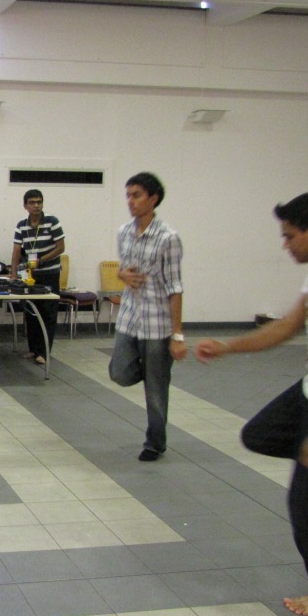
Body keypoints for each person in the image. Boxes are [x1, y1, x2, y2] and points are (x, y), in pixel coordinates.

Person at [195, 192, 308, 616]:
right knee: (258, 434)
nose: (285, 245)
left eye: (290, 236)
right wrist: (227, 347)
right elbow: (285, 328)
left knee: (306, 504)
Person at [108, 172, 186, 462]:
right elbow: (124, 270)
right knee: (118, 371)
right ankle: (154, 370)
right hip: (129, 318)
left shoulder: (168, 238)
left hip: (157, 324)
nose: (130, 201)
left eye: (137, 195)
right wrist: (120, 274)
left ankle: (155, 442)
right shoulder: (124, 232)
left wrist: (177, 336)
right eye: (128, 195)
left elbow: (175, 288)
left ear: (153, 199)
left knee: (155, 392)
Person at [9, 189, 64, 366]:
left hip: (49, 273)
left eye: (39, 202)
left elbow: (60, 247)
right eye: (32, 202)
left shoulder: (51, 222)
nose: (36, 206)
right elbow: (16, 250)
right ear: (25, 205)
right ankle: (33, 349)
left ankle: (44, 352)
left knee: (48, 313)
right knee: (32, 312)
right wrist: (13, 273)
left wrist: (41, 261)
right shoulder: (21, 225)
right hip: (31, 276)